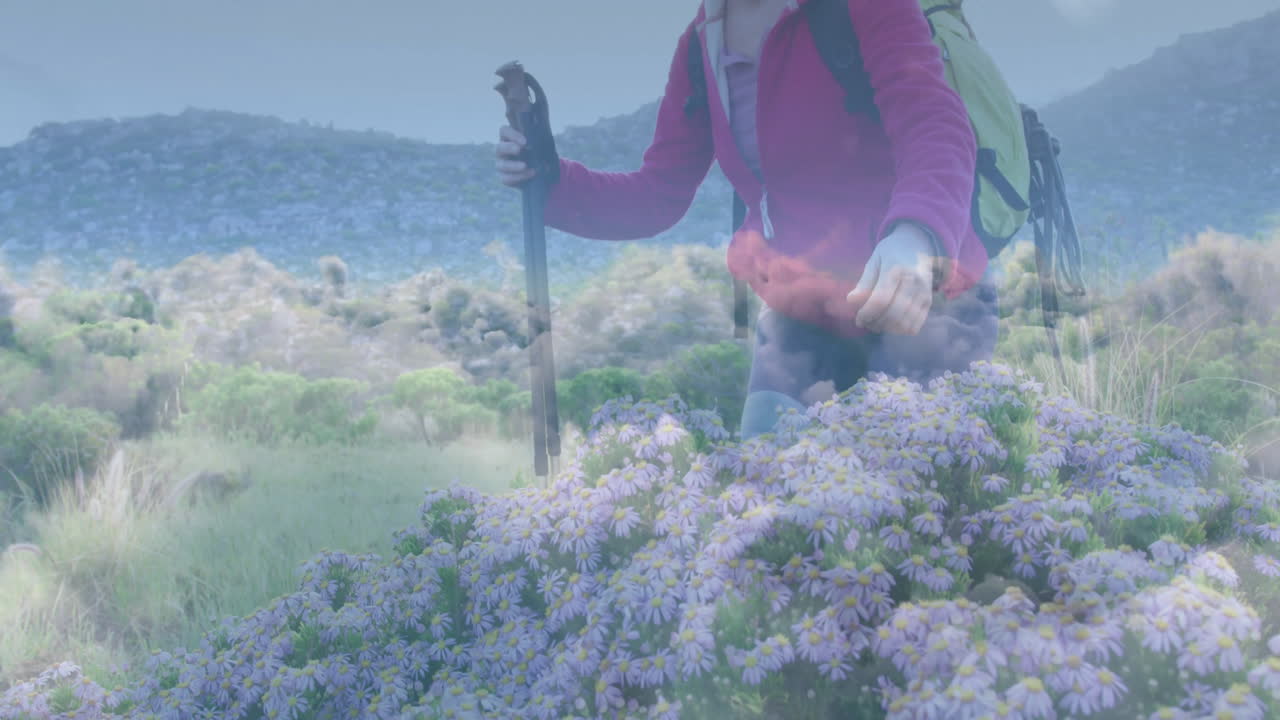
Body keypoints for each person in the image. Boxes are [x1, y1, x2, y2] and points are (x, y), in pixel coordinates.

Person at [495, 0, 1001, 442]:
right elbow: (658, 193)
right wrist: (551, 182)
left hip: (919, 299)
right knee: (765, 491)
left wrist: (916, 236)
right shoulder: (703, 43)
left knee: (910, 498)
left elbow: (934, 122)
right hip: (801, 315)